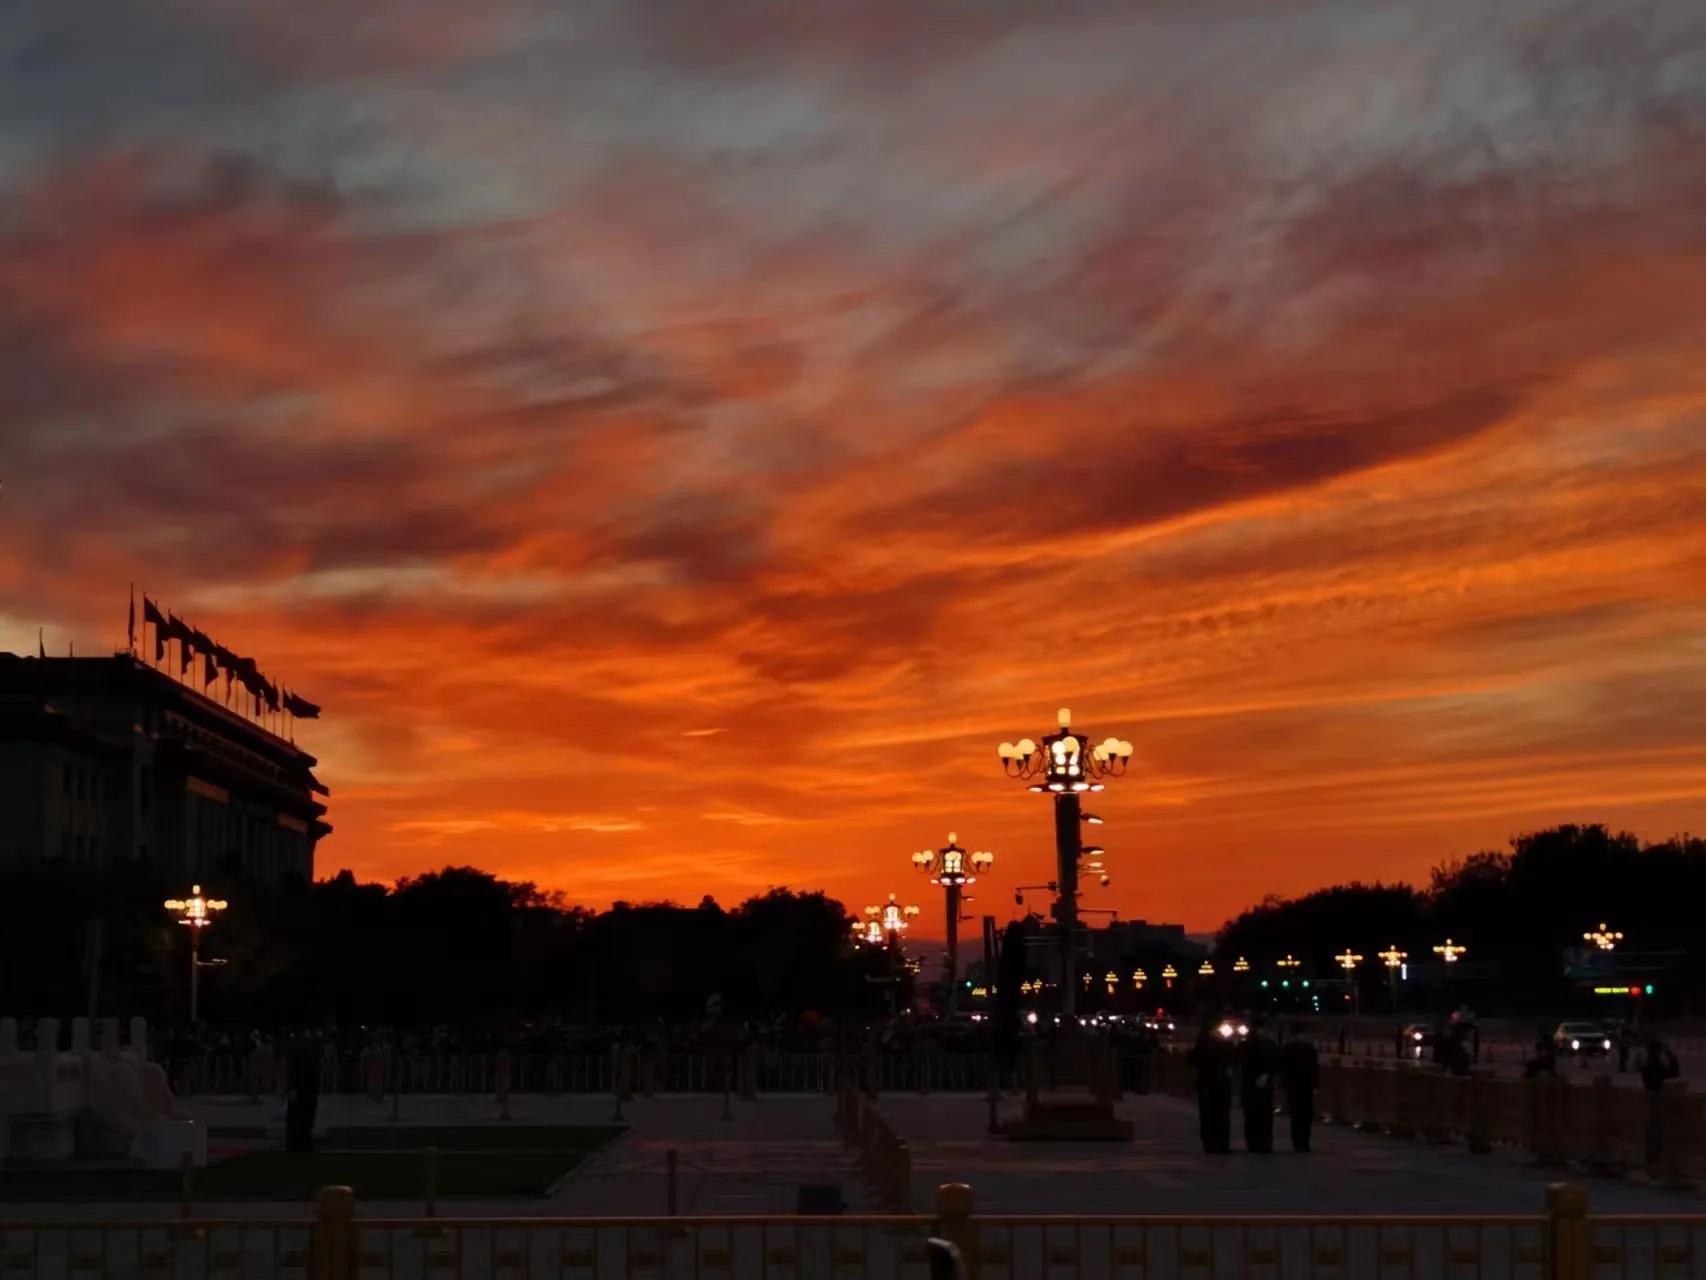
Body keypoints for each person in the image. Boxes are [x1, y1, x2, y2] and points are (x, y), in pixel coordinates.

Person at [1188, 1022, 1234, 1153]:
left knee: (1219, 1114)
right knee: (1210, 1115)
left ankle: (1220, 1143)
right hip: (1208, 1084)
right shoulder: (1204, 1046)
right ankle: (1213, 1143)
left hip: (1219, 1084)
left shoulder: (1225, 1045)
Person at [1240, 1019, 1280, 1153]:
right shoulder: (1249, 1045)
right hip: (1253, 1082)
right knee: (1255, 1114)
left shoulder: (1266, 1044)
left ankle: (1262, 1142)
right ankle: (1256, 1142)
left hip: (1261, 1082)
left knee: (1262, 1114)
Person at [1279, 1023, 1319, 1153]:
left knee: (1302, 1115)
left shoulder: (1295, 1049)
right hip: (1299, 1086)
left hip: (1299, 1085)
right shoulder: (1301, 1049)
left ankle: (1301, 1142)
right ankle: (1300, 1142)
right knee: (1300, 1115)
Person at [283, 1029, 321, 1154]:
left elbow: (292, 1068)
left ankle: (299, 1138)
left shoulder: (302, 1047)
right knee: (302, 1113)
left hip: (305, 1086)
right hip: (305, 1086)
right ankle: (299, 1139)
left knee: (301, 1113)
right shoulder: (308, 1047)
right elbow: (293, 1068)